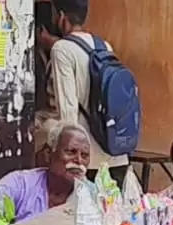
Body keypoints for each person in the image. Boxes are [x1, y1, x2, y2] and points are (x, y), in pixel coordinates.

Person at [42, 0, 128, 181]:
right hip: (115, 154)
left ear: (61, 17)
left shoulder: (61, 50)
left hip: (86, 161)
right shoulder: (104, 46)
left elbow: (68, 113)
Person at [0, 122, 92, 222]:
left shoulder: (94, 197)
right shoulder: (21, 184)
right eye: (71, 152)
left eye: (84, 155)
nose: (79, 161)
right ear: (48, 154)